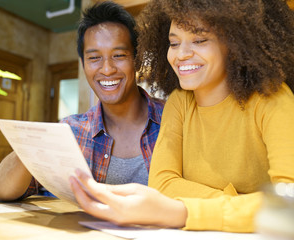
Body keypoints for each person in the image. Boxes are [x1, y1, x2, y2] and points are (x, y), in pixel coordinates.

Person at [69, 0, 294, 233]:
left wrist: (184, 211)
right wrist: (242, 204)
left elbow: (288, 205)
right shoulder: (179, 102)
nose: (182, 54)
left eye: (199, 40)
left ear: (235, 42)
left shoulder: (273, 100)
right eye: (174, 43)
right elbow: (163, 183)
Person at [0, 1, 164, 202]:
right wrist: (33, 144)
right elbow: (0, 191)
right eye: (94, 58)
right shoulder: (71, 131)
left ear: (137, 59)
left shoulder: (173, 119)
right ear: (83, 64)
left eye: (118, 55)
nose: (107, 69)